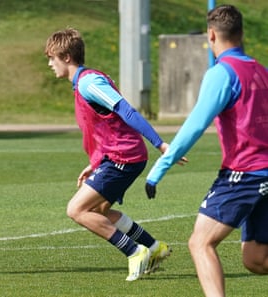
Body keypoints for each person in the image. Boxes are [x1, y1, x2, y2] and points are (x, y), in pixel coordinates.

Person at [145, 4, 268, 296]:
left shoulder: (222, 73)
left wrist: (159, 169)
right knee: (256, 259)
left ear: (211, 35)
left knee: (200, 243)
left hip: (245, 174)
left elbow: (195, 126)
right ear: (241, 34)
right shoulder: (261, 71)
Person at [44, 28, 181, 281]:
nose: (50, 63)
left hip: (123, 157)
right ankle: (153, 248)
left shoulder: (88, 82)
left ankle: (134, 252)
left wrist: (160, 144)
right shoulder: (82, 83)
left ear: (65, 57)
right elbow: (105, 127)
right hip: (117, 156)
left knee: (76, 210)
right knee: (98, 211)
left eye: (51, 57)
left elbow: (127, 112)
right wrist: (94, 163)